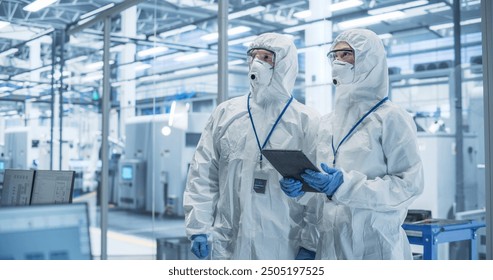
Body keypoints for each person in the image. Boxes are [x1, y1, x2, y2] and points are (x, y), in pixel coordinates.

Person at [280, 28, 424, 259]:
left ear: (370, 59)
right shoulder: (328, 122)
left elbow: (408, 186)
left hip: (375, 245)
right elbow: (323, 190)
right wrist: (302, 190)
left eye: (346, 54)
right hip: (330, 245)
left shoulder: (391, 117)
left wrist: (344, 186)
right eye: (334, 56)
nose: (338, 61)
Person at [183, 33, 321, 260]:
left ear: (284, 63)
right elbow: (203, 172)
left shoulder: (307, 121)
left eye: (266, 57)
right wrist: (198, 227)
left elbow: (317, 192)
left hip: (284, 243)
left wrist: (311, 243)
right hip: (229, 241)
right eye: (253, 55)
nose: (257, 62)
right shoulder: (226, 113)